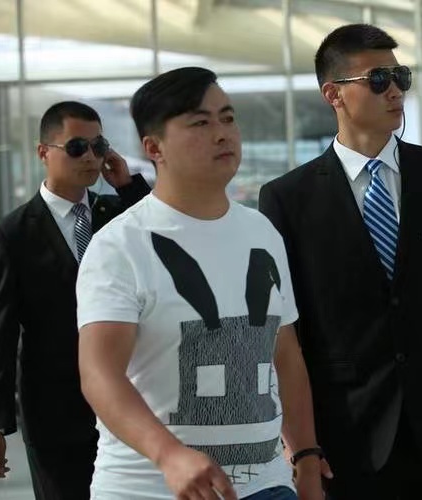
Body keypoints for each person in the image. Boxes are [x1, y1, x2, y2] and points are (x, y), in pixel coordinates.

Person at [258, 24, 422, 500]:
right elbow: (285, 333)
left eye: (400, 77)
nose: (395, 91)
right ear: (333, 94)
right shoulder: (288, 198)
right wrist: (299, 442)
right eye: (378, 79)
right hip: (346, 431)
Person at [75, 67, 324, 500]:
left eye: (227, 118)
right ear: (154, 148)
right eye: (200, 122)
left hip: (266, 484)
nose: (222, 133)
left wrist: (305, 456)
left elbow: (284, 353)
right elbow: (99, 373)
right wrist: (169, 455)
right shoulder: (120, 245)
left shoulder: (262, 233)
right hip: (149, 489)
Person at [0, 101, 150, 499]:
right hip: (54, 410)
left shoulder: (118, 214)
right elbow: (0, 331)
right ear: (43, 152)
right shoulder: (13, 233)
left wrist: (128, 186)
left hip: (129, 399)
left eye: (99, 146)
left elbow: (162, 241)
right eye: (78, 147)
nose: (91, 158)